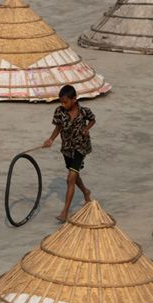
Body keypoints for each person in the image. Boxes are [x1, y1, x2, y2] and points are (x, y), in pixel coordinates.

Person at [43, 84, 95, 222]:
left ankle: (65, 212)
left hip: (80, 147)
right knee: (74, 174)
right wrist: (51, 139)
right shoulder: (59, 112)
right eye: (61, 102)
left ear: (74, 99)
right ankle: (86, 191)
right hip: (67, 148)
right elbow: (58, 127)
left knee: (70, 178)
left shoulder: (84, 111)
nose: (63, 104)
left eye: (65, 102)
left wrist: (87, 129)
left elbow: (92, 119)